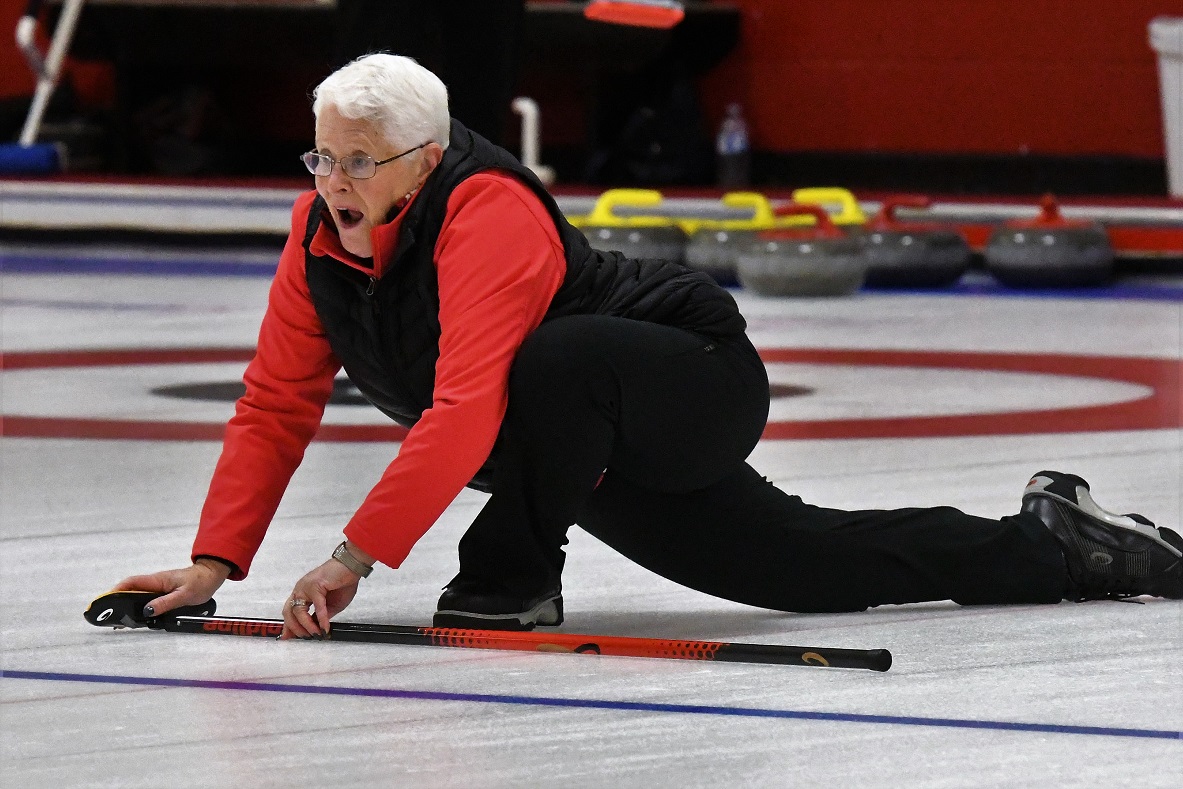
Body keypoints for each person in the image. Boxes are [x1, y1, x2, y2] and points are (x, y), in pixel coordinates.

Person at [113, 55, 1183, 639]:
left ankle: (512, 576)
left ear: (424, 160)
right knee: (801, 570)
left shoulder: (486, 211)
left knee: (549, 360)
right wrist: (217, 562)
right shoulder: (317, 240)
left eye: (357, 161)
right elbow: (274, 403)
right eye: (319, 158)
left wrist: (352, 559)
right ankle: (1056, 544)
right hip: (571, 436)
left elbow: (471, 399)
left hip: (687, 378)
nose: (332, 184)